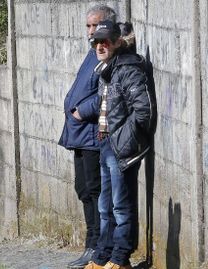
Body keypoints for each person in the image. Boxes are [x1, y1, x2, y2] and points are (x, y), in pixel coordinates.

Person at [75, 20, 157, 269]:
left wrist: (123, 138)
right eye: (96, 42)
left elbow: (143, 111)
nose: (100, 46)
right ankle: (103, 256)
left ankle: (120, 259)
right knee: (105, 206)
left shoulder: (128, 69)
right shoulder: (107, 69)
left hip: (121, 146)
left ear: (117, 43)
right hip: (106, 144)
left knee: (121, 205)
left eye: (105, 42)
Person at [58, 5, 116, 268]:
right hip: (79, 134)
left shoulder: (108, 52)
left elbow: (107, 91)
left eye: (96, 26)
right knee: (83, 189)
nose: (91, 32)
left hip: (93, 134)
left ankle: (97, 246)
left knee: (95, 191)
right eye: (88, 26)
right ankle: (90, 243)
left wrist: (82, 110)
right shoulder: (92, 53)